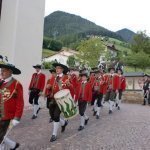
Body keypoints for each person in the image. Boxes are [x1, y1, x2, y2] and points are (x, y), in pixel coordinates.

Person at [0, 61, 24, 150]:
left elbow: (20, 102)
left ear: (10, 72)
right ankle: (13, 145)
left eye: (4, 71)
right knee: (1, 135)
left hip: (7, 116)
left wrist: (17, 117)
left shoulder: (17, 84)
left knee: (0, 138)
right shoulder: (0, 82)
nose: (1, 72)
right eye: (1, 70)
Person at [48, 63, 74, 142]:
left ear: (62, 69)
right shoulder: (54, 77)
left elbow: (72, 90)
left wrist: (69, 85)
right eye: (56, 68)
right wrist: (48, 87)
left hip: (62, 100)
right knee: (52, 116)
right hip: (53, 99)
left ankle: (54, 134)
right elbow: (52, 87)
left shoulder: (66, 77)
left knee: (56, 116)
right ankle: (63, 123)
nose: (57, 69)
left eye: (59, 68)